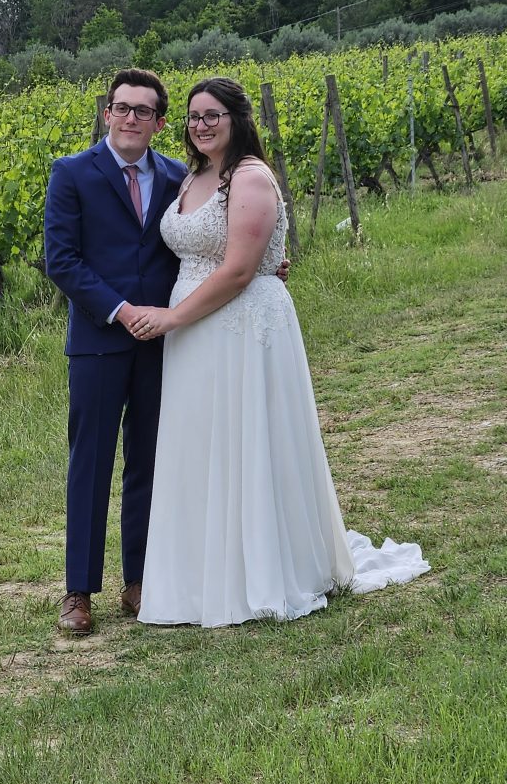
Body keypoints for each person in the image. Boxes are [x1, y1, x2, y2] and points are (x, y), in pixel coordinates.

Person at [130, 77, 430, 627]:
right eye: (194, 116)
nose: (201, 125)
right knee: (203, 443)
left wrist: (172, 316)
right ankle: (203, 574)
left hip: (241, 325)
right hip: (195, 333)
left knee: (250, 438)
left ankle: (265, 570)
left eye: (212, 114)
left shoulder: (250, 177)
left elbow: (241, 269)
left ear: (237, 119)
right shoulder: (192, 176)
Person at [43, 69, 188, 635]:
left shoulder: (180, 177)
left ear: (159, 122)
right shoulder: (72, 173)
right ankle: (78, 592)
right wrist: (121, 311)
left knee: (149, 462)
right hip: (100, 342)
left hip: (162, 342)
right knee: (91, 464)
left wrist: (264, 267)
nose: (131, 118)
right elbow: (62, 260)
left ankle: (139, 580)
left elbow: (201, 245)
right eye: (121, 108)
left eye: (143, 111)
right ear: (106, 113)